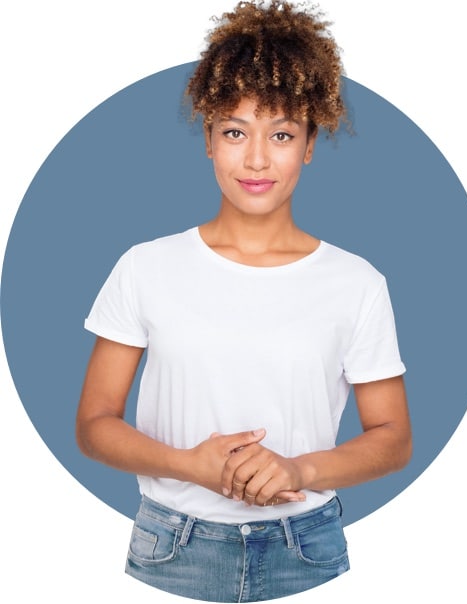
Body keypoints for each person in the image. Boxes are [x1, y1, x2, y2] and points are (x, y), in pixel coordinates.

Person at [76, 1, 411, 601]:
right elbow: (94, 425)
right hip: (170, 547)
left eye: (281, 134)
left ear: (309, 145)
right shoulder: (144, 266)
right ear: (209, 139)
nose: (257, 159)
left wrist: (300, 470)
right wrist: (192, 465)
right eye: (235, 131)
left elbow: (393, 436)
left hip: (306, 549)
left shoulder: (357, 281)